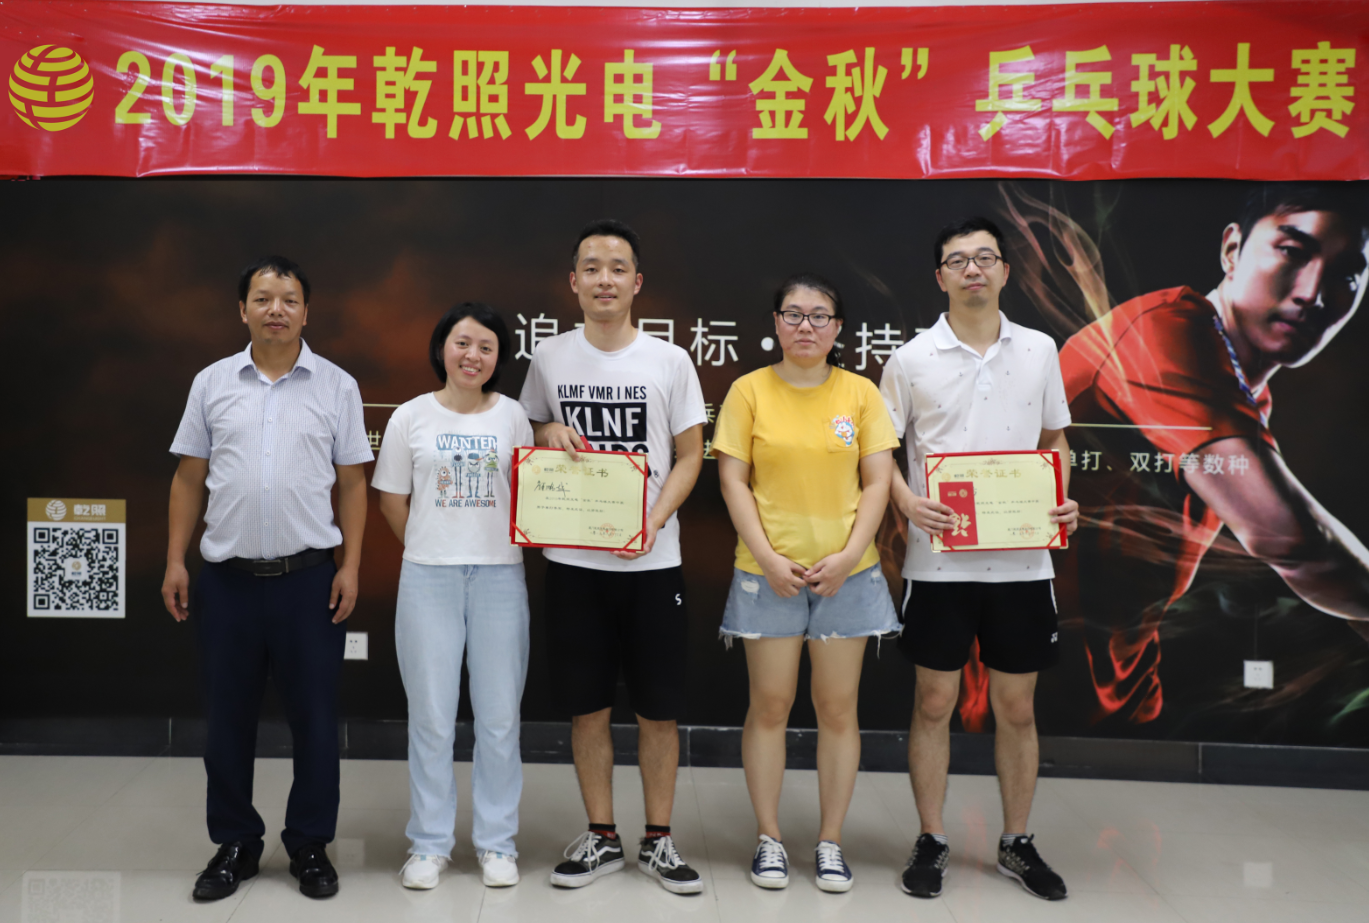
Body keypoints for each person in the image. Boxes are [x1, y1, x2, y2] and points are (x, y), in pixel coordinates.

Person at [1059, 183, 1369, 725]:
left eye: (1345, 275)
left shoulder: (1245, 392)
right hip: (1038, 688)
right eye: (1292, 253)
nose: (1313, 294)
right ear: (1232, 249)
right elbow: (1292, 541)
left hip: (1116, 697)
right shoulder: (1163, 335)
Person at [161, 256, 372, 901]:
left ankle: (309, 843)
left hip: (309, 581)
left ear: (307, 311)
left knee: (315, 719)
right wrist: (175, 559)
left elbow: (353, 483)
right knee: (227, 720)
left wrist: (350, 566)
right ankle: (235, 843)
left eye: (289, 299)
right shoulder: (211, 383)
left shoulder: (337, 386)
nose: (276, 309)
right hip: (227, 581)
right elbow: (188, 478)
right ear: (243, 310)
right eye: (263, 298)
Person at [880, 218, 1079, 902]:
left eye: (985, 257)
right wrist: (907, 501)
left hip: (1022, 562)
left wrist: (1060, 498)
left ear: (1004, 271)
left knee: (1016, 707)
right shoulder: (909, 359)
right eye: (958, 260)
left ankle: (1016, 840)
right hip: (939, 563)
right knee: (934, 700)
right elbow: (879, 453)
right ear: (939, 276)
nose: (973, 269)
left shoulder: (1039, 349)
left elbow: (1054, 438)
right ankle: (931, 837)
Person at [519, 219, 708, 894]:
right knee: (587, 707)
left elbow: (691, 455)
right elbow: (530, 426)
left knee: (658, 710)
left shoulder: (669, 360)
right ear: (573, 282)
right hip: (574, 562)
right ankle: (601, 834)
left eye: (617, 268)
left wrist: (654, 520)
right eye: (592, 268)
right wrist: (547, 426)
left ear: (637, 282)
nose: (605, 279)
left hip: (652, 563)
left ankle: (658, 839)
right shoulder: (549, 357)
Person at [712, 273, 900, 893]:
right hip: (768, 574)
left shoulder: (860, 393)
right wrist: (767, 557)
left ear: (838, 328)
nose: (805, 326)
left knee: (837, 709)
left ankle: (830, 842)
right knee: (769, 706)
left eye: (819, 316)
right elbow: (733, 480)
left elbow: (878, 481)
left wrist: (848, 556)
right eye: (793, 314)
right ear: (775, 323)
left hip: (848, 575)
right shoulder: (748, 391)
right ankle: (769, 838)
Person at [371, 303, 534, 890]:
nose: (473, 356)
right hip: (428, 578)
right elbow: (393, 501)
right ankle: (429, 844)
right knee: (432, 717)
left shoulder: (513, 416)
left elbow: (530, 496)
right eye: (463, 343)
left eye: (486, 347)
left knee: (499, 718)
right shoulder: (410, 417)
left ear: (498, 358)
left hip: (499, 577)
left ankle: (497, 843)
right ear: (442, 347)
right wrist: (430, 542)